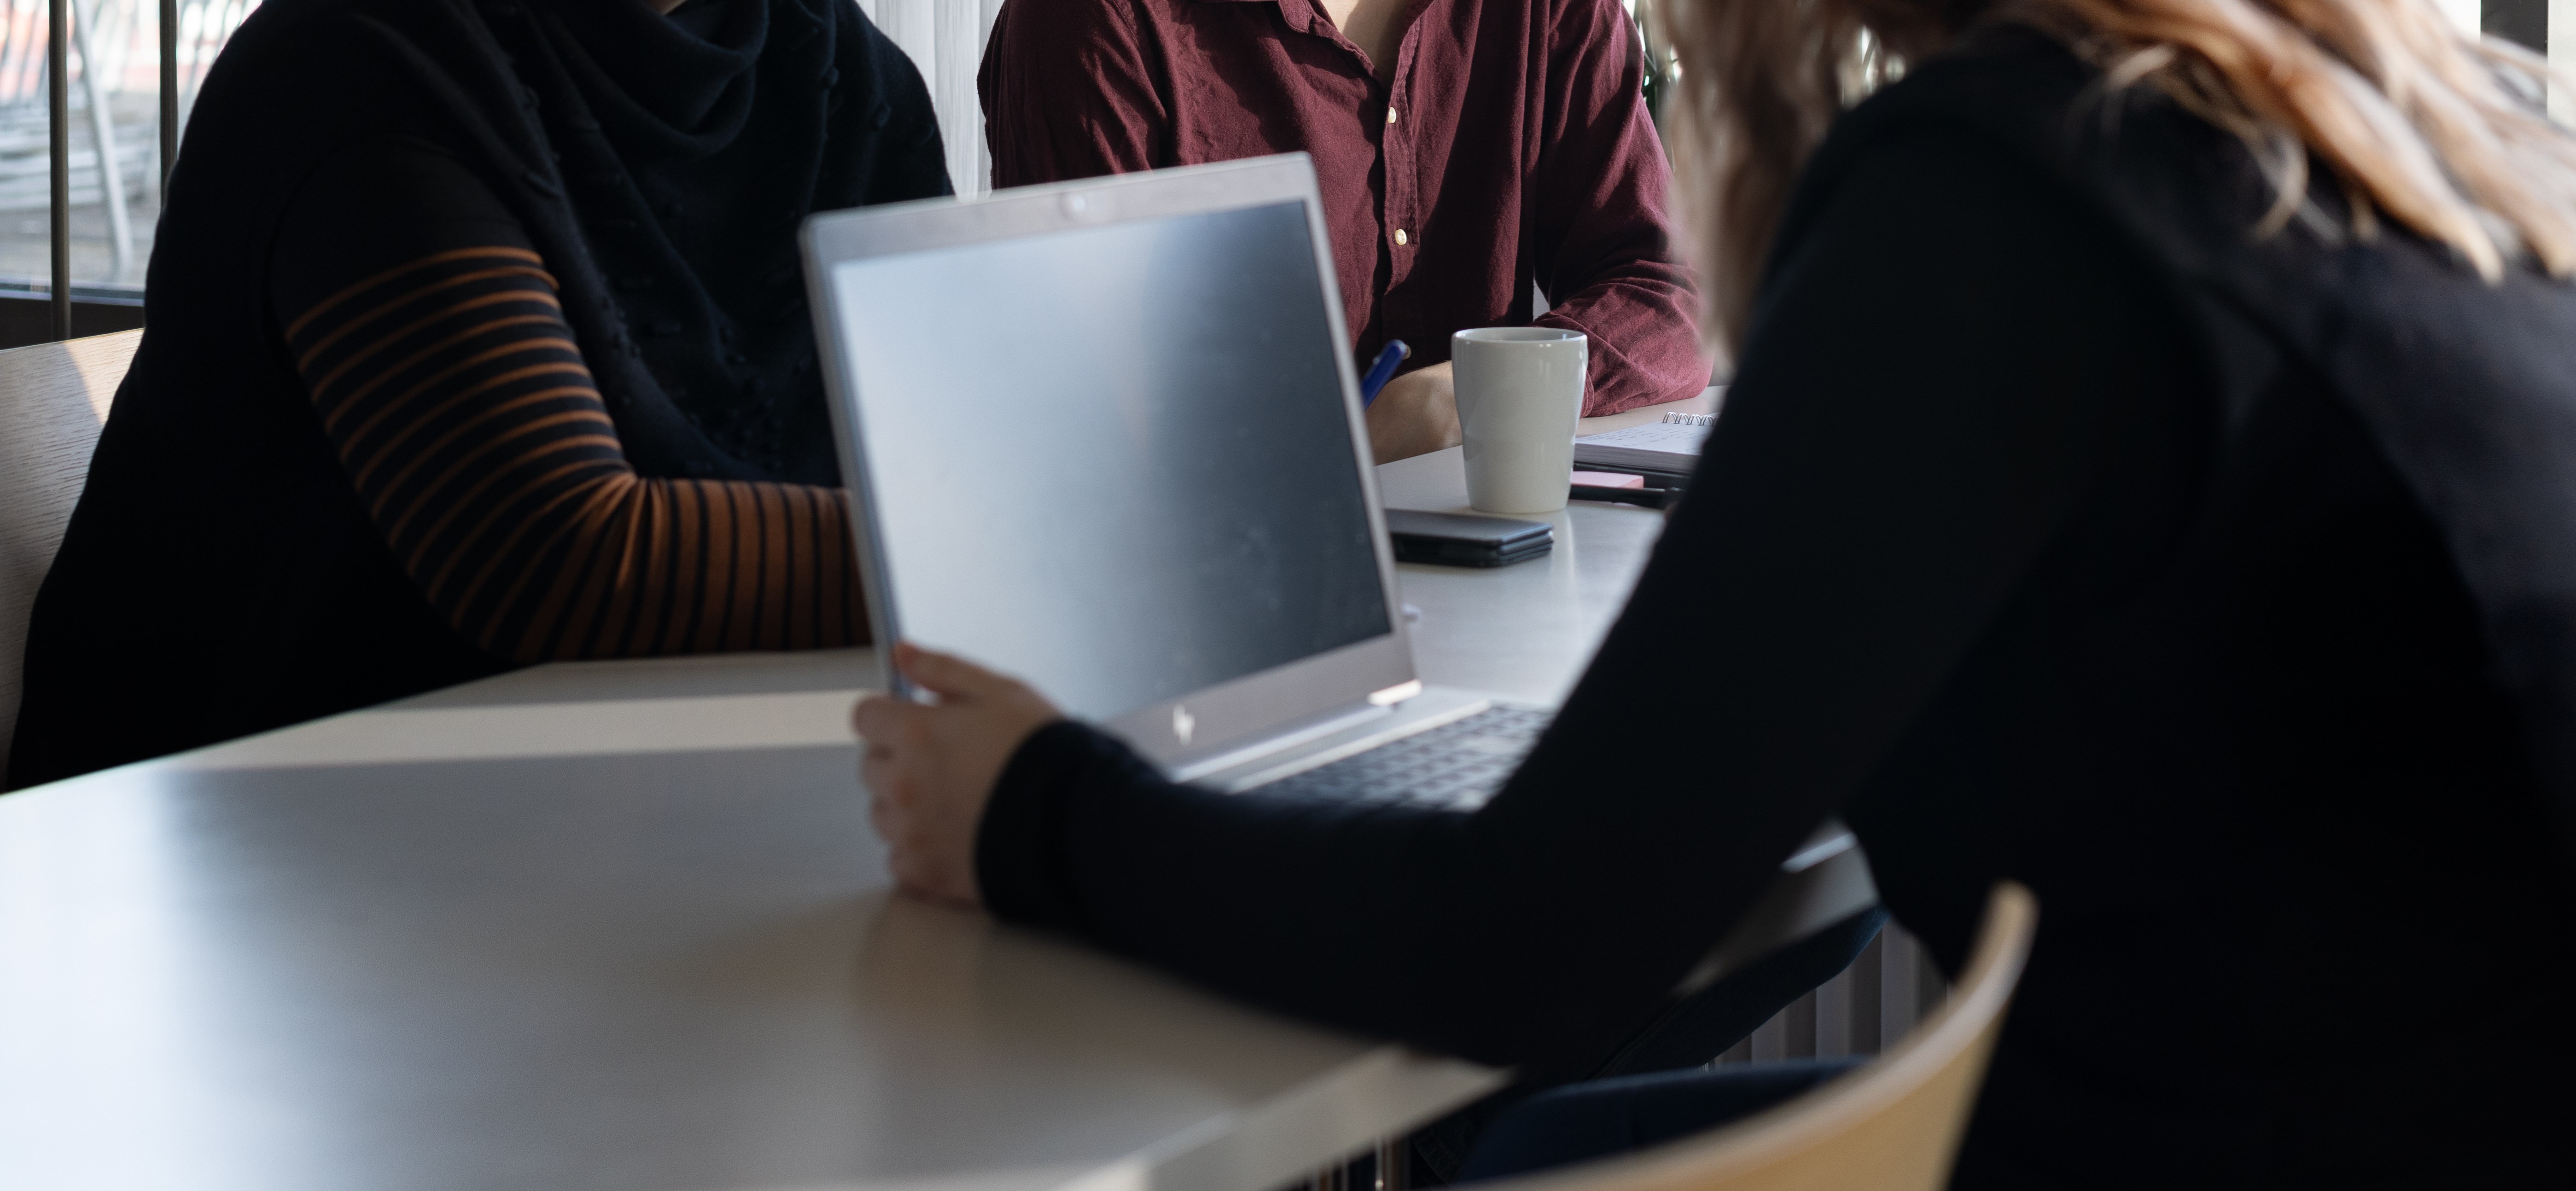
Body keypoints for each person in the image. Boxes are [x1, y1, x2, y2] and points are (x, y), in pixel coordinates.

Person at [854, 0, 2576, 1183]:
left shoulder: (1997, 198)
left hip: (2291, 1128)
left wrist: (1033, 811)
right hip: (2415, 1097)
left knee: (1534, 1133)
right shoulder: (2396, 134)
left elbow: (1530, 942)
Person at [7, 0, 949, 790]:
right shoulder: (358, 63)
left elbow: (963, 457)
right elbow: (551, 556)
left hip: (636, 801)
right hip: (234, 857)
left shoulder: (841, 74)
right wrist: (1009, 558)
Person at [976, 0, 1711, 462]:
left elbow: (1670, 290)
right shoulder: (1095, 23)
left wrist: (1461, 400)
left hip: (1504, 573)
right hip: (1220, 593)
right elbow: (1091, 415)